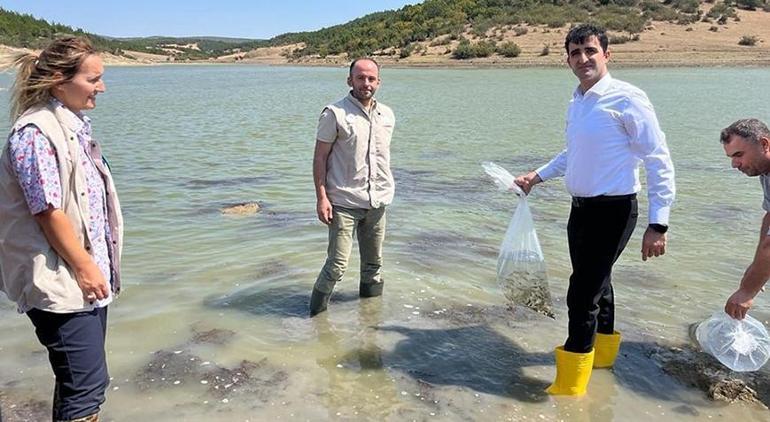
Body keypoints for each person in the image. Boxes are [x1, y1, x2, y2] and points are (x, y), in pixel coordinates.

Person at [514, 24, 675, 396]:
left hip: (615, 211)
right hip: (581, 211)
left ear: (607, 54)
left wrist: (659, 223)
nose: (582, 58)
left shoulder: (628, 98)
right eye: (575, 52)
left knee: (581, 293)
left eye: (590, 50)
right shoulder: (579, 100)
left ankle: (571, 385)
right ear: (567, 59)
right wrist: (536, 176)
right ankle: (602, 361)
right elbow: (574, 153)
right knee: (598, 286)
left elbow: (658, 159)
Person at [0, 37, 123, 422]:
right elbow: (48, 211)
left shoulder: (70, 126)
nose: (101, 87)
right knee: (86, 391)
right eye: (93, 79)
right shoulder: (35, 133)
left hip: (82, 277)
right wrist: (86, 269)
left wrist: (94, 269)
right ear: (58, 81)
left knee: (78, 382)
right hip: (61, 278)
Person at [309, 57, 395, 317]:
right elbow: (320, 158)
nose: (365, 83)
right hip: (343, 202)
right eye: (360, 78)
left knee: (374, 265)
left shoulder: (387, 115)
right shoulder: (334, 113)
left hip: (377, 201)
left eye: (371, 78)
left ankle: (370, 324)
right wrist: (321, 198)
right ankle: (314, 319)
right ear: (350, 80)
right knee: (337, 265)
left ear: (378, 82)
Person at [720, 119, 770, 320]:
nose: (734, 164)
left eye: (739, 155)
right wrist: (757, 266)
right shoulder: (765, 172)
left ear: (764, 144)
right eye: (731, 157)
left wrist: (747, 291)